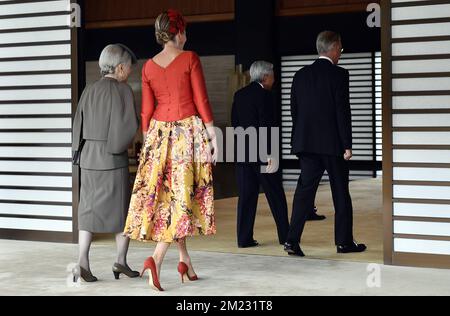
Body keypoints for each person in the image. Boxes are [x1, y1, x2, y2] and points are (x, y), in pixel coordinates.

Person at [123, 9, 218, 291]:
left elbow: (146, 111)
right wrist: (212, 132)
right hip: (186, 132)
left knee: (170, 194)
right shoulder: (190, 58)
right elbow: (201, 98)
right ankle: (156, 258)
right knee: (182, 195)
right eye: (184, 31)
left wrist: (147, 143)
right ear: (178, 33)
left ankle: (185, 261)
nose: (186, 37)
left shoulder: (149, 67)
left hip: (157, 134)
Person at [284, 31, 367, 257]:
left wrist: (303, 135)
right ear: (332, 47)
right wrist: (347, 144)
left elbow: (295, 111)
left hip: (306, 143)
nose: (341, 52)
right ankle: (344, 242)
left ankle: (292, 241)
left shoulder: (299, 75)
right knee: (340, 192)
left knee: (303, 193)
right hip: (332, 145)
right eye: (340, 47)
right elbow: (342, 111)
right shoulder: (339, 74)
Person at [72, 44, 140, 282]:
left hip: (89, 157)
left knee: (88, 211)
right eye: (129, 68)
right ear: (120, 67)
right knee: (122, 213)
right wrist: (117, 148)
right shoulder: (123, 91)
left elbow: (77, 125)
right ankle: (120, 261)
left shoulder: (89, 89)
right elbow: (129, 126)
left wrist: (77, 152)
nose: (130, 72)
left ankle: (83, 262)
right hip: (112, 158)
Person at [231, 61, 289, 247]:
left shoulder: (239, 95)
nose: (274, 78)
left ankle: (244, 238)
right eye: (272, 74)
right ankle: (285, 236)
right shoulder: (266, 95)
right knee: (275, 195)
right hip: (263, 154)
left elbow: (235, 124)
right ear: (265, 77)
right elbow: (267, 125)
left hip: (243, 153)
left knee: (246, 197)